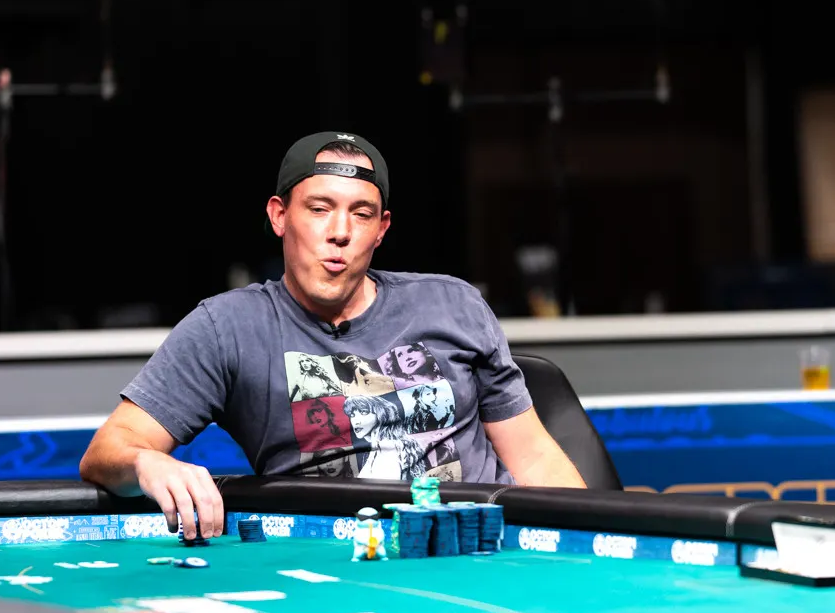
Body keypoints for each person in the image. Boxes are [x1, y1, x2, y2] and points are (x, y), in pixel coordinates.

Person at [79, 131, 586, 541]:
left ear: (381, 228)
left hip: (481, 548)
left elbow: (533, 456)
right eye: (319, 208)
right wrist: (148, 462)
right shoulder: (228, 328)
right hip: (338, 562)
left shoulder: (453, 304)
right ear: (279, 216)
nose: (340, 231)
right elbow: (108, 450)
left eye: (361, 214)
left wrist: (592, 542)